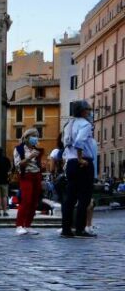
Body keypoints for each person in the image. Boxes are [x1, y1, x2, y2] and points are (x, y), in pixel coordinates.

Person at [61, 100, 96, 238]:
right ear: (83, 111)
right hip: (83, 163)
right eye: (88, 109)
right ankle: (80, 229)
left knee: (70, 198)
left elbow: (66, 143)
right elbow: (79, 142)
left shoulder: (68, 124)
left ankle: (66, 229)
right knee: (84, 198)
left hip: (70, 162)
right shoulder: (86, 124)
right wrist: (81, 158)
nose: (90, 111)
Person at [13, 129, 43, 235]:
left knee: (34, 202)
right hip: (26, 175)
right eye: (34, 136)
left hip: (37, 176)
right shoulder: (19, 149)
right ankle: (19, 225)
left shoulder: (37, 150)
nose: (36, 138)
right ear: (26, 137)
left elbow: (39, 165)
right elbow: (18, 164)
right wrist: (30, 157)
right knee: (26, 200)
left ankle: (28, 224)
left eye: (37, 136)